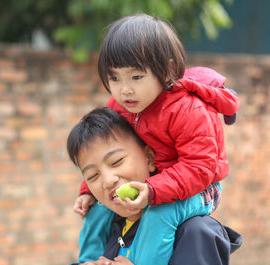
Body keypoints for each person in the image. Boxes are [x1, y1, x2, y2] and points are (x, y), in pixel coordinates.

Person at [74, 14, 239, 222]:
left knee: (158, 215)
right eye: (114, 78)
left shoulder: (186, 110)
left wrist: (153, 190)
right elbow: (99, 154)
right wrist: (87, 191)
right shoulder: (118, 106)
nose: (125, 90)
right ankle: (90, 256)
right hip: (154, 185)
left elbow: (199, 168)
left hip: (202, 189)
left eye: (136, 77)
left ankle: (138, 258)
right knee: (97, 213)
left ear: (167, 69)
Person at [66, 107, 241, 265]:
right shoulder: (109, 225)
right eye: (92, 176)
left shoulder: (195, 232)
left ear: (149, 158)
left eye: (116, 161)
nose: (108, 180)